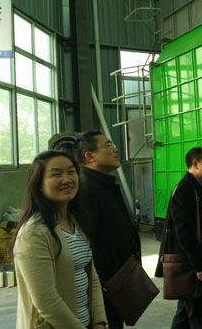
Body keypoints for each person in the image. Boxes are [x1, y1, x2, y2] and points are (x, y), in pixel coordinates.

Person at [11, 150, 108, 329]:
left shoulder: (75, 221)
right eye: (56, 174)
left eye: (71, 172)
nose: (67, 179)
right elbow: (46, 301)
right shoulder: (34, 233)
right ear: (39, 185)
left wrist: (100, 321)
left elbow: (92, 277)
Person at [74, 130, 141, 329]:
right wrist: (103, 285)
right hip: (105, 287)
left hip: (117, 281)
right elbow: (88, 244)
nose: (116, 149)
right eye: (108, 145)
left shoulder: (103, 184)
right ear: (89, 156)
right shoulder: (86, 189)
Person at [158, 146, 202, 329]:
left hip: (196, 265)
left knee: (184, 317)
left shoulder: (201, 189)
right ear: (195, 163)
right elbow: (185, 234)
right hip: (191, 267)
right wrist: (200, 265)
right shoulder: (185, 190)